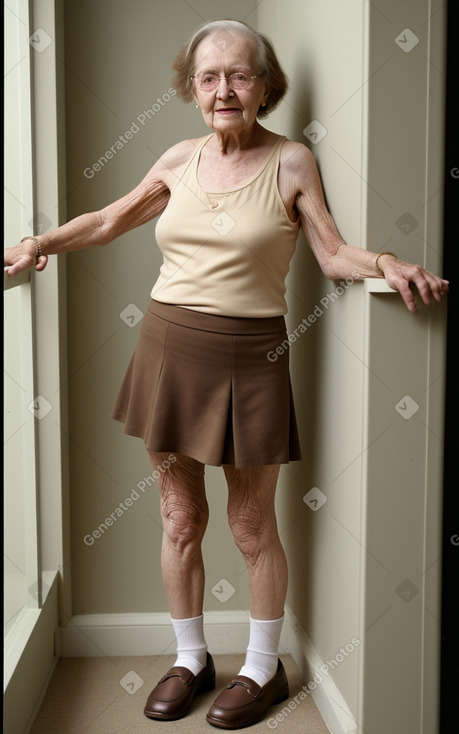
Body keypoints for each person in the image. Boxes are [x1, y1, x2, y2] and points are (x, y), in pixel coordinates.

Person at [4, 18, 449, 730]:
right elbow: (107, 221)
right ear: (190, 87)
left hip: (250, 358)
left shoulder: (291, 162)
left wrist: (388, 265)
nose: (223, 90)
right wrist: (37, 243)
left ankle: (261, 669)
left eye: (239, 75)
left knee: (248, 525)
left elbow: (332, 255)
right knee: (180, 517)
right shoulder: (178, 160)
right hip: (165, 351)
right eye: (208, 77)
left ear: (265, 86)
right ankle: (189, 659)